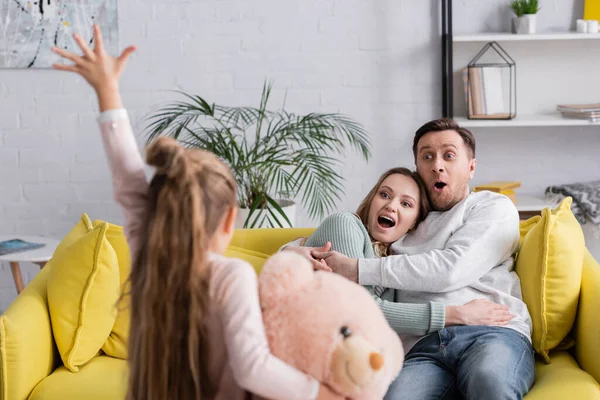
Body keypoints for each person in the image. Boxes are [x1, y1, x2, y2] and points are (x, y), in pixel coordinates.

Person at [51, 25, 341, 400]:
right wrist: (321, 393)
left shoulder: (149, 265)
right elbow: (253, 367)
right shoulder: (229, 275)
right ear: (228, 220)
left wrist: (107, 92)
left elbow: (128, 181)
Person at [286, 118, 535, 399]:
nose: (437, 165)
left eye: (449, 155)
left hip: (490, 332)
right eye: (427, 156)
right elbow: (345, 236)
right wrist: (291, 250)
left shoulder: (492, 207)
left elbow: (451, 269)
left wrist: (357, 269)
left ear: (471, 167)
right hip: (421, 348)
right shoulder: (406, 220)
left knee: (489, 381)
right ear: (418, 168)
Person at [301, 167, 514, 336]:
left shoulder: (394, 261)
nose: (391, 206)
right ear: (371, 200)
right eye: (384, 195)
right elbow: (359, 311)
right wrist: (456, 314)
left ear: (414, 224)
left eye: (406, 203)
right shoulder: (345, 224)